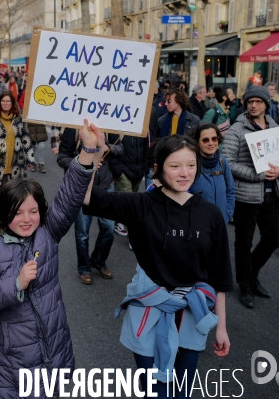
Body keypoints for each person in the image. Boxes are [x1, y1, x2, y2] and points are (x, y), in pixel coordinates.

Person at [83, 132, 232, 398]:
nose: (184, 173)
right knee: (154, 391)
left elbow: (219, 274)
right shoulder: (141, 204)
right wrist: (91, 150)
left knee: (183, 391)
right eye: (174, 166)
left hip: (192, 313)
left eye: (191, 165)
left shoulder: (211, 214)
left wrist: (221, 327)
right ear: (157, 168)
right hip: (148, 310)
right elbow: (88, 198)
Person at [0, 119, 97, 397]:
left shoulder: (47, 231)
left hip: (53, 345)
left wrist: (88, 148)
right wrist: (16, 284)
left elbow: (70, 196)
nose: (27, 220)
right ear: (2, 212)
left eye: (33, 211)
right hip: (11, 361)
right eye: (18, 212)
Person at [222, 85, 279, 309]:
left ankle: (252, 273)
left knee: (274, 238)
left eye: (258, 101)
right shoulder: (237, 129)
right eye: (249, 102)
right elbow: (228, 162)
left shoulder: (274, 128)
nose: (253, 105)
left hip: (272, 195)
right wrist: (259, 175)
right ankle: (245, 284)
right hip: (246, 195)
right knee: (243, 243)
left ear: (266, 104)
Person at [58, 127, 123, 284]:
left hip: (105, 185)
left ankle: (99, 261)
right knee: (82, 233)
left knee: (108, 228)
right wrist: (82, 161)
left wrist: (103, 147)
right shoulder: (72, 129)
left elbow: (120, 149)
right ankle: (84, 268)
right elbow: (61, 157)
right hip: (81, 186)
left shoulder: (110, 125)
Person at [187, 123, 235, 224]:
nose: (211, 143)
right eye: (205, 140)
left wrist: (227, 214)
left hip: (220, 223)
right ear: (197, 142)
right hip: (198, 225)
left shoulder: (223, 162)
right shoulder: (190, 164)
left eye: (214, 139)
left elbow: (230, 190)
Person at [0, 91, 35, 187]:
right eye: (3, 101)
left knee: (17, 190)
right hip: (0, 162)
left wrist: (30, 160)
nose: (5, 103)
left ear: (12, 103)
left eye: (8, 101)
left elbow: (26, 140)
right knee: (5, 190)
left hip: (17, 160)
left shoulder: (19, 119)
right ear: (0, 103)